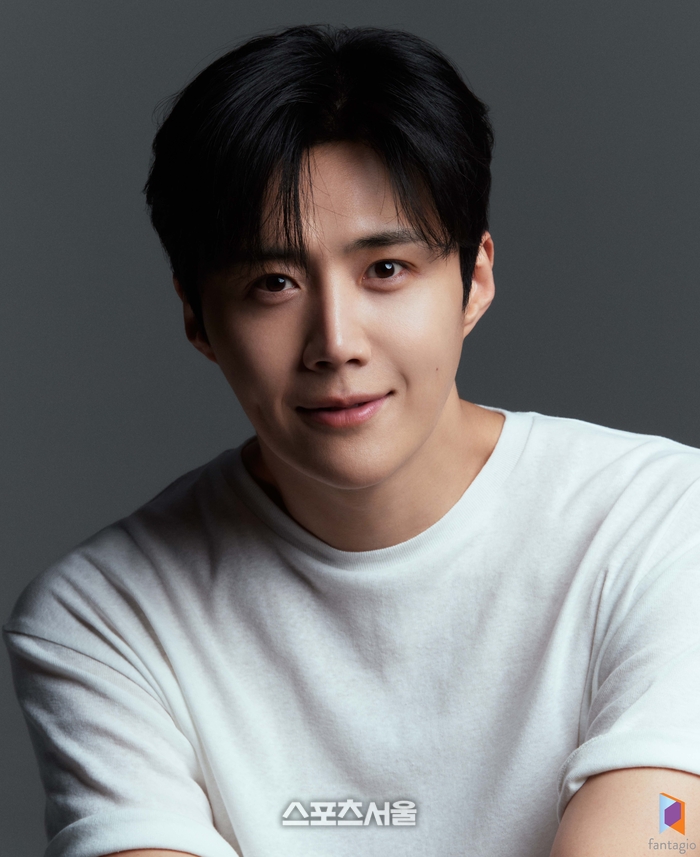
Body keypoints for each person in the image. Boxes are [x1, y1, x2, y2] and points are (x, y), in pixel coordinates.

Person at [4, 23, 700, 857]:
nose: (336, 341)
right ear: (197, 316)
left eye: (386, 270)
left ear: (474, 278)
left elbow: (659, 833)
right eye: (273, 282)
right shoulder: (103, 619)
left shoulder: (661, 522)